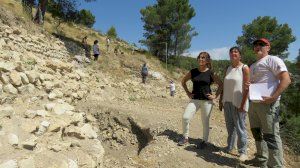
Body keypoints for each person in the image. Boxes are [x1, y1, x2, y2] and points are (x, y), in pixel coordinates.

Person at [245, 38, 291, 168]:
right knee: (257, 133)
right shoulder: (253, 65)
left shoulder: (273, 60)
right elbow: (257, 83)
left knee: (271, 136)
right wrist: (250, 85)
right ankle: (261, 160)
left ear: (268, 47)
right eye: (255, 45)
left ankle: (275, 165)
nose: (258, 46)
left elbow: (286, 80)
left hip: (268, 104)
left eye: (261, 44)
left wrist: (273, 97)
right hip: (254, 103)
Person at [179, 52, 222, 149]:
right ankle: (185, 137)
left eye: (203, 58)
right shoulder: (193, 71)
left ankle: (204, 141)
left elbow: (221, 84)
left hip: (207, 101)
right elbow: (183, 82)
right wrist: (188, 93)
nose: (200, 59)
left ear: (207, 60)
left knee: (205, 122)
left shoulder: (211, 72)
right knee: (186, 117)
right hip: (195, 100)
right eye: (199, 57)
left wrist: (215, 96)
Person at [219, 47, 250, 162]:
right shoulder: (228, 68)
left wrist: (242, 104)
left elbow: (247, 89)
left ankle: (243, 152)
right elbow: (224, 85)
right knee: (230, 127)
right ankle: (230, 147)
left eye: (236, 52)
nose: (233, 53)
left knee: (240, 128)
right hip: (227, 101)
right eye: (231, 52)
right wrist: (221, 100)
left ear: (240, 55)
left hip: (238, 102)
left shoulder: (244, 68)